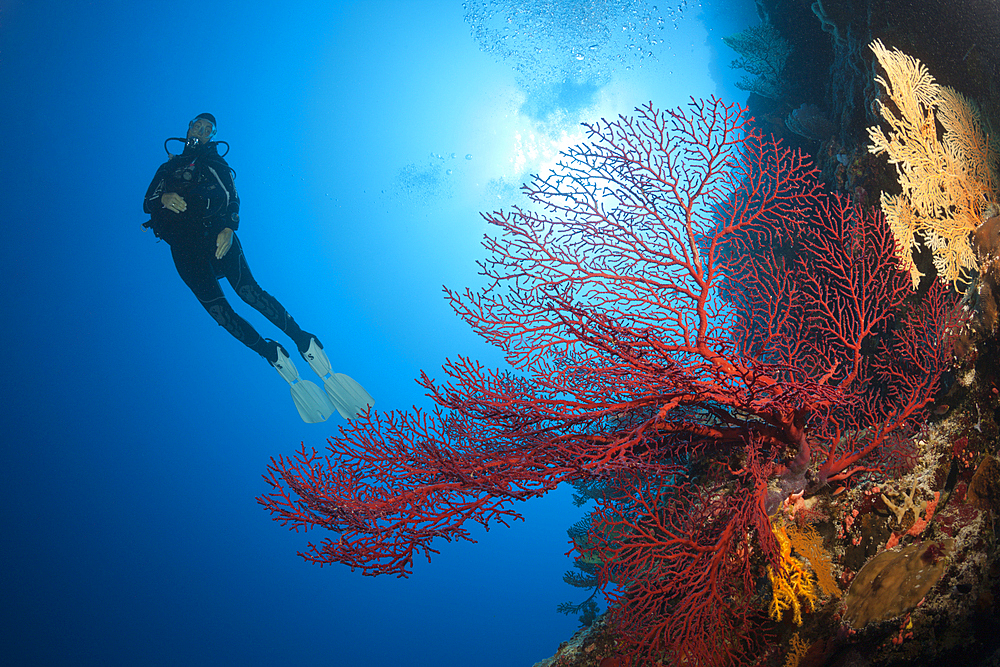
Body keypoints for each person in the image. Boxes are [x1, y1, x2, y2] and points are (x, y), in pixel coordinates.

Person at [143, 113, 372, 423]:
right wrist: (165, 197)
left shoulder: (214, 161)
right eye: (199, 125)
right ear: (189, 127)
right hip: (184, 248)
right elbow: (148, 201)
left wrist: (229, 227)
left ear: (212, 136)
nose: (203, 130)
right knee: (219, 312)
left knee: (249, 292)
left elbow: (232, 195)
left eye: (209, 129)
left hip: (215, 233)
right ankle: (269, 352)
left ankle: (301, 338)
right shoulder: (167, 168)